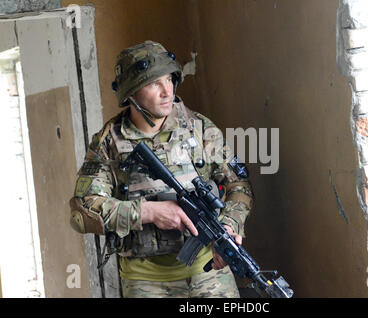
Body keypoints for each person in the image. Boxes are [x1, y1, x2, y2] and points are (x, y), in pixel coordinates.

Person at [69, 40, 253, 298]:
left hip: (209, 272)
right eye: (154, 83)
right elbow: (83, 211)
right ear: (131, 93)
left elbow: (238, 185)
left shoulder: (199, 128)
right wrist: (148, 212)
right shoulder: (109, 143)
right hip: (146, 281)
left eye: (169, 80)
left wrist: (230, 226)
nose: (167, 91)